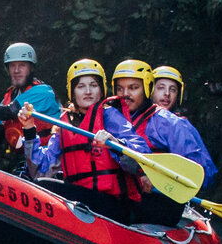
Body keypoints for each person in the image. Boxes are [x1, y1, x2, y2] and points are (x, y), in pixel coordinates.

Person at [22, 58, 148, 224]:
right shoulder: (64, 124)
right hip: (80, 203)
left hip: (113, 204)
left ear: (101, 90)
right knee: (41, 183)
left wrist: (116, 143)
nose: (88, 91)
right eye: (81, 86)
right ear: (73, 93)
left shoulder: (109, 116)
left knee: (47, 186)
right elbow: (40, 170)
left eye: (93, 85)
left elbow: (142, 153)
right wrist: (29, 130)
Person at [112, 58, 217, 225]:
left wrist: (158, 181)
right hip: (123, 196)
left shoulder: (174, 124)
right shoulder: (113, 119)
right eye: (161, 88)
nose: (166, 94)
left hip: (157, 202)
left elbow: (203, 173)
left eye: (172, 90)